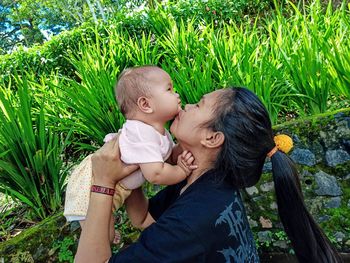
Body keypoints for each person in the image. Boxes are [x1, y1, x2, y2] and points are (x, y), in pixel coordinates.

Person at [75, 87, 342, 263]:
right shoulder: (201, 178)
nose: (187, 105)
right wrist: (135, 163)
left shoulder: (193, 217)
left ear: (213, 138)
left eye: (199, 104)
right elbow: (143, 218)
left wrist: (103, 181)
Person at [64, 66, 196, 243]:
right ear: (146, 105)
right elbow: (155, 174)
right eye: (169, 89)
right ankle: (97, 233)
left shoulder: (158, 132)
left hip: (113, 189)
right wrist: (181, 171)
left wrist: (181, 153)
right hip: (90, 186)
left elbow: (168, 157)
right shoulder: (142, 133)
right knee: (101, 239)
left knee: (105, 232)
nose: (177, 94)